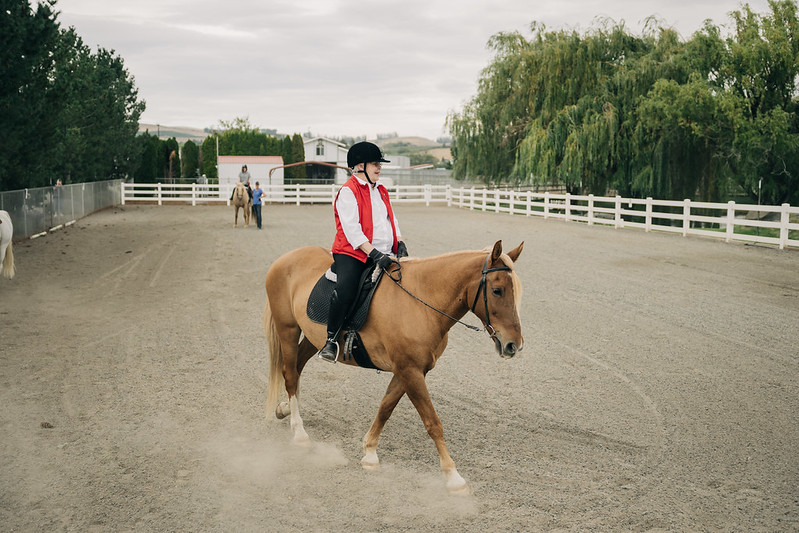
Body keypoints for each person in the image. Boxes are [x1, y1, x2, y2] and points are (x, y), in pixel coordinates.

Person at [317, 141, 409, 363]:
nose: (379, 168)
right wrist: (374, 254)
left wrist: (400, 241)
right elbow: (353, 231)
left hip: (386, 250)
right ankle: (331, 340)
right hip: (353, 253)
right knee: (347, 288)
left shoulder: (381, 190)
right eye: (375, 164)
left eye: (379, 164)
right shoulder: (348, 192)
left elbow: (391, 219)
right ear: (360, 166)